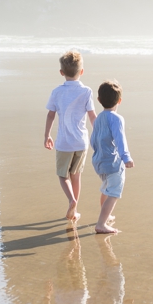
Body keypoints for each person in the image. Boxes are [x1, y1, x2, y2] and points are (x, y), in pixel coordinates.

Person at [45, 51, 97, 223]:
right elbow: (92, 116)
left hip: (63, 142)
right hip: (81, 142)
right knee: (76, 175)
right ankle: (75, 210)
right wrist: (98, 134)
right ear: (81, 71)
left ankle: (71, 200)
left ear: (61, 72)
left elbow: (51, 115)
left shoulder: (57, 92)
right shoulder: (87, 91)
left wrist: (47, 136)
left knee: (63, 175)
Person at [90, 80, 134, 234]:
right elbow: (120, 139)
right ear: (119, 101)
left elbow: (93, 139)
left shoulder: (98, 118)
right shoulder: (116, 118)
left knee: (106, 189)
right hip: (113, 163)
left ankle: (105, 216)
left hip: (99, 162)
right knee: (113, 193)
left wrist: (97, 153)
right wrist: (126, 157)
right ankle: (101, 224)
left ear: (99, 100)